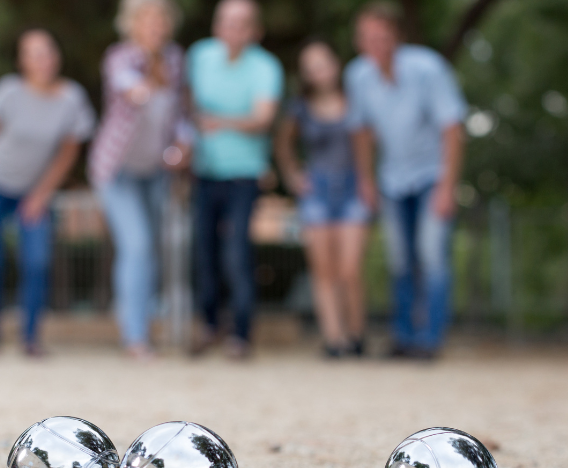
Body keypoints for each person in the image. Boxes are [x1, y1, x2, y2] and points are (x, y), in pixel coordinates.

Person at [0, 29, 95, 356]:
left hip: (31, 192)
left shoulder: (71, 99)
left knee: (37, 261)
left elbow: (68, 152)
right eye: (34, 53)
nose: (43, 59)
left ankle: (30, 338)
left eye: (47, 51)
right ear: (23, 61)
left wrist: (41, 194)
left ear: (56, 56)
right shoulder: (7, 93)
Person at [346, 2, 467, 360]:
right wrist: (365, 180)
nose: (376, 44)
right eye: (368, 38)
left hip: (431, 175)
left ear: (396, 37)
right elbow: (362, 133)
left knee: (431, 255)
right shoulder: (358, 76)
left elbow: (453, 129)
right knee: (399, 260)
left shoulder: (428, 68)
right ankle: (403, 337)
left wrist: (447, 186)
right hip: (392, 179)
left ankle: (430, 340)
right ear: (359, 42)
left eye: (382, 36)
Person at [88, 0, 193, 360]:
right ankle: (135, 337)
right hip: (116, 170)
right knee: (136, 244)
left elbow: (177, 112)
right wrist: (153, 69)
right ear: (132, 24)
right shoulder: (120, 57)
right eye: (148, 19)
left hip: (154, 170)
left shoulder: (177, 60)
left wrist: (184, 141)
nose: (156, 26)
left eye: (161, 19)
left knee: (150, 251)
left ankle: (141, 327)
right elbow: (135, 91)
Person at [187, 0, 284, 360]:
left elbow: (263, 118)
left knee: (236, 254)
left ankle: (241, 334)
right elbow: (188, 106)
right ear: (216, 26)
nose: (233, 29)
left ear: (254, 30)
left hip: (244, 173)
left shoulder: (265, 66)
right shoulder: (200, 56)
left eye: (241, 23)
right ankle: (210, 325)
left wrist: (219, 122)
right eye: (226, 22)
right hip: (204, 171)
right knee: (204, 253)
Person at [275, 40, 370, 358]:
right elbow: (283, 144)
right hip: (317, 191)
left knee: (349, 268)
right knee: (323, 270)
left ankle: (356, 333)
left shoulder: (355, 101)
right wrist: (292, 175)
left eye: (322, 63)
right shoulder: (299, 107)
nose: (318, 72)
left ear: (336, 64)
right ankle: (334, 338)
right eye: (310, 67)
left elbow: (367, 145)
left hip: (352, 189)